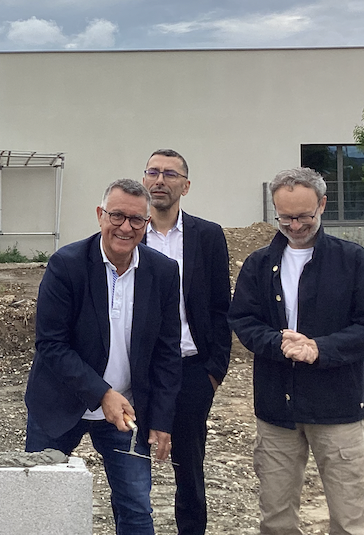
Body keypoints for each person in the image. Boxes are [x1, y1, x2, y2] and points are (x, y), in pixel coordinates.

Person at [229, 167, 364, 535]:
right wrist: (282, 345)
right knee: (276, 519)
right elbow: (243, 320)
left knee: (349, 519)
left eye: (304, 216)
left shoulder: (353, 260)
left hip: (338, 409)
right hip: (277, 408)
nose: (295, 225)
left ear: (323, 204)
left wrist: (320, 349)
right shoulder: (257, 264)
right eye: (285, 216)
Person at [24, 178, 182, 535]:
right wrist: (101, 394)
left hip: (126, 409)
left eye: (136, 220)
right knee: (41, 503)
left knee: (136, 508)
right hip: (60, 402)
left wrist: (162, 417)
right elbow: (51, 344)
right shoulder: (66, 265)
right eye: (117, 216)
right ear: (100, 215)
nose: (125, 227)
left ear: (147, 223)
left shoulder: (163, 272)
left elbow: (167, 352)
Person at [141, 149, 231, 535]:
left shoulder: (207, 236)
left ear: (186, 186)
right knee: (130, 461)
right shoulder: (128, 231)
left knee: (189, 468)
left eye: (170, 174)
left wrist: (214, 371)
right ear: (144, 180)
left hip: (192, 369)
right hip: (138, 369)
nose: (160, 180)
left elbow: (220, 307)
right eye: (153, 172)